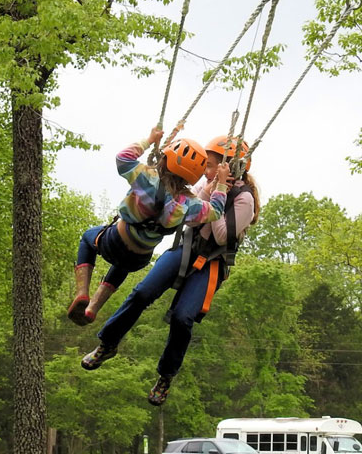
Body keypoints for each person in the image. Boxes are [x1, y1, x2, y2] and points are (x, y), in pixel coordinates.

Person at [81, 135, 260, 406]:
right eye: (207, 166)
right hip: (186, 249)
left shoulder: (245, 198)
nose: (206, 172)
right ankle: (108, 343)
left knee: (182, 318)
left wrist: (217, 194)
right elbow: (191, 210)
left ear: (233, 168)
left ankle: (165, 376)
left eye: (211, 166)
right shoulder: (210, 183)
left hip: (210, 263)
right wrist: (212, 191)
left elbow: (222, 235)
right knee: (142, 293)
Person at [67, 126, 230, 326]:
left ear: (167, 159)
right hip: (139, 259)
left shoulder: (146, 177)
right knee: (123, 263)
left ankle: (82, 293)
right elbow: (215, 211)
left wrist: (149, 140)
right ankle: (92, 308)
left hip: (115, 242)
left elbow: (123, 158)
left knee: (87, 238)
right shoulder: (189, 203)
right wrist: (220, 183)